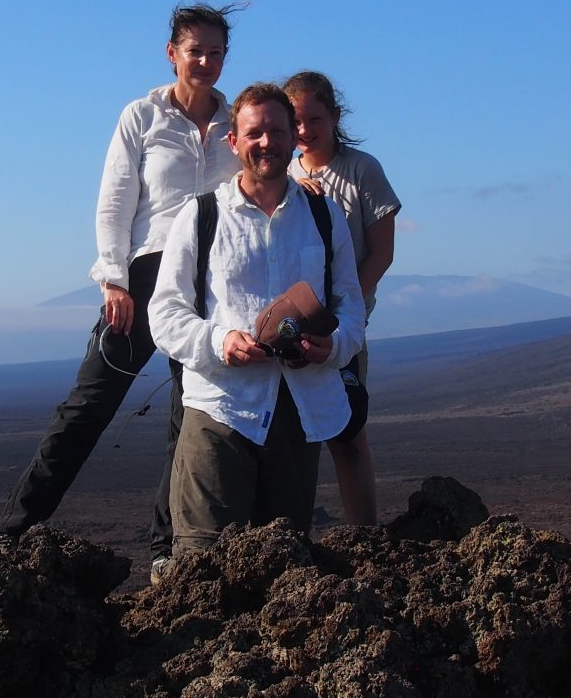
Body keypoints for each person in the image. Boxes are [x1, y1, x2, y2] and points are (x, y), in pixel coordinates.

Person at [0, 3, 242, 582]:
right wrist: (114, 279)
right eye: (194, 50)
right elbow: (114, 203)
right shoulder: (142, 116)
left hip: (211, 285)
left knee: (192, 415)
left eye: (216, 52)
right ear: (171, 52)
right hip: (145, 279)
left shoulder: (235, 121)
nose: (205, 61)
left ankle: (166, 549)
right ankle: (13, 535)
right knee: (88, 408)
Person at [148, 83, 366, 557]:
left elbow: (351, 307)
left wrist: (336, 347)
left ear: (292, 138)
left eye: (277, 131)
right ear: (234, 141)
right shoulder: (201, 216)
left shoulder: (324, 217)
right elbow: (164, 313)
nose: (266, 142)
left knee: (283, 571)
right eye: (254, 133)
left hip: (297, 414)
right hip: (219, 411)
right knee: (202, 569)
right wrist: (219, 340)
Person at [282, 71, 402, 526]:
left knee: (348, 433)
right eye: (294, 121)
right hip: (293, 325)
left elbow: (382, 252)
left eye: (314, 118)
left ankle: (364, 535)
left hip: (344, 328)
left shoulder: (360, 170)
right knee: (292, 434)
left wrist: (345, 311)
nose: (304, 130)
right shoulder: (285, 174)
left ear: (334, 117)